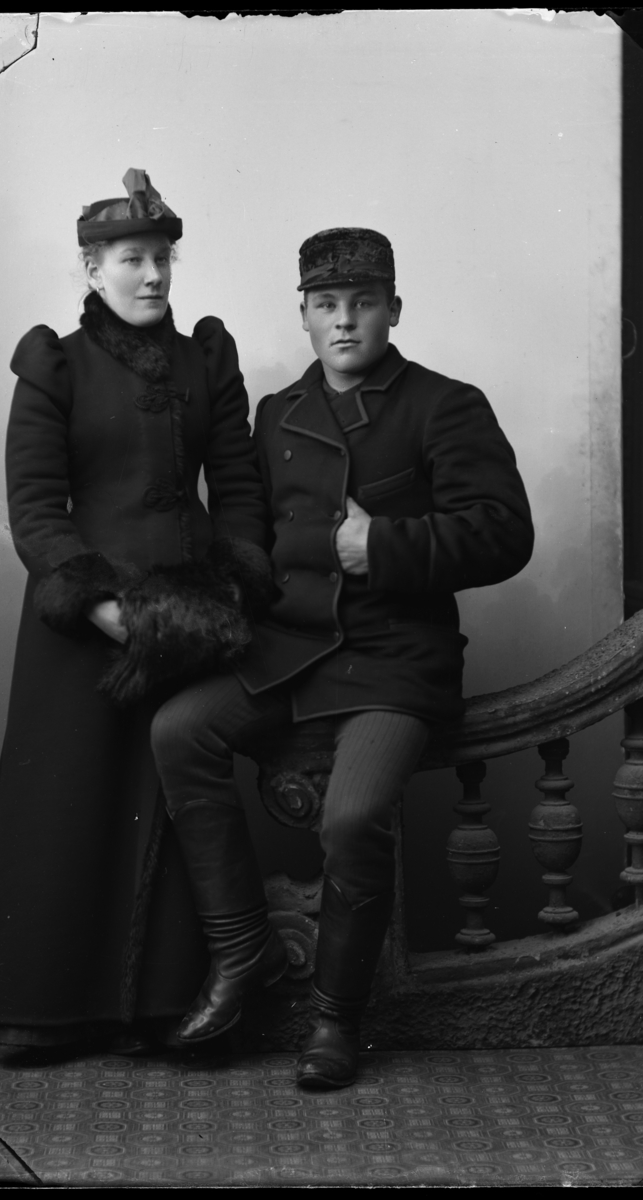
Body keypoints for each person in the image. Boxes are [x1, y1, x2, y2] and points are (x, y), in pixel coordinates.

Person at [150, 226, 535, 1088]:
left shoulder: (446, 404)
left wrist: (382, 545)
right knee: (179, 730)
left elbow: (507, 534)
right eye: (326, 305)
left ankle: (336, 1018)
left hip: (396, 658)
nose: (345, 321)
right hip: (290, 649)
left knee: (353, 817)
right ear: (305, 315)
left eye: (363, 303)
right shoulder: (278, 412)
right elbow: (251, 532)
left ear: (394, 309)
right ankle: (241, 950)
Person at [0, 170, 275, 1051]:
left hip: (189, 620)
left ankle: (158, 1005)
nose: (152, 275)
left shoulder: (206, 360)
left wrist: (228, 587)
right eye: (132, 259)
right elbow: (35, 506)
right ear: (92, 268)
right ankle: (41, 1012)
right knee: (68, 801)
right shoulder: (55, 364)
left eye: (162, 258)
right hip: (81, 628)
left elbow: (240, 489)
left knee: (169, 801)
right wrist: (97, 602)